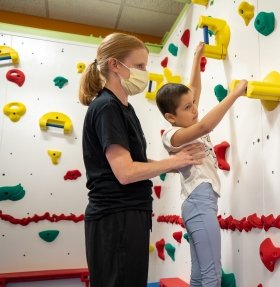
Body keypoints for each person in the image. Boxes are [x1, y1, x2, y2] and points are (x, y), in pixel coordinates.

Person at [78, 33, 205, 287]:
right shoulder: (107, 108)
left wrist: (175, 164)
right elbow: (124, 172)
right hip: (116, 217)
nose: (145, 73)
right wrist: (174, 162)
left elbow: (135, 160)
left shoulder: (124, 107)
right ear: (115, 65)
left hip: (130, 214)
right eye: (139, 66)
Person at [155, 42, 247, 287]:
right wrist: (235, 93)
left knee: (199, 273)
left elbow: (193, 88)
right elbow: (206, 126)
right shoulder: (173, 135)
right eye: (188, 107)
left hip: (200, 202)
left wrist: (196, 58)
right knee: (211, 275)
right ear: (171, 117)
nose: (195, 109)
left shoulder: (186, 120)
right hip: (198, 202)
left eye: (194, 103)